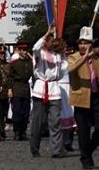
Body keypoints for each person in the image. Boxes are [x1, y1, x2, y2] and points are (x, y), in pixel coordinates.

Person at [30, 24, 69, 159]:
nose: (52, 42)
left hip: (54, 89)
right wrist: (47, 33)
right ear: (45, 41)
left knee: (55, 122)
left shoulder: (58, 56)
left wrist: (63, 55)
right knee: (38, 122)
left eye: (53, 39)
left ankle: (56, 150)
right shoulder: (39, 53)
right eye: (50, 39)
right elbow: (35, 47)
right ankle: (34, 149)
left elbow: (64, 71)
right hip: (40, 88)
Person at [69, 27, 99, 169]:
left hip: (96, 98)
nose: (83, 46)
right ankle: (86, 159)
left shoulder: (96, 59)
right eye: (80, 43)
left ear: (91, 45)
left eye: (86, 43)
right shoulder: (74, 57)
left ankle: (87, 151)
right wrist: (84, 58)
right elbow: (70, 69)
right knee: (84, 131)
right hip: (81, 98)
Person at [7, 41, 34, 140]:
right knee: (17, 111)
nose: (25, 52)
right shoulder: (15, 63)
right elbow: (10, 77)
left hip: (26, 88)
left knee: (26, 112)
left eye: (26, 50)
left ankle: (23, 131)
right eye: (23, 50)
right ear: (19, 51)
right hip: (17, 87)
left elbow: (36, 66)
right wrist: (10, 89)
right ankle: (17, 131)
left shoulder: (29, 63)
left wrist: (31, 57)